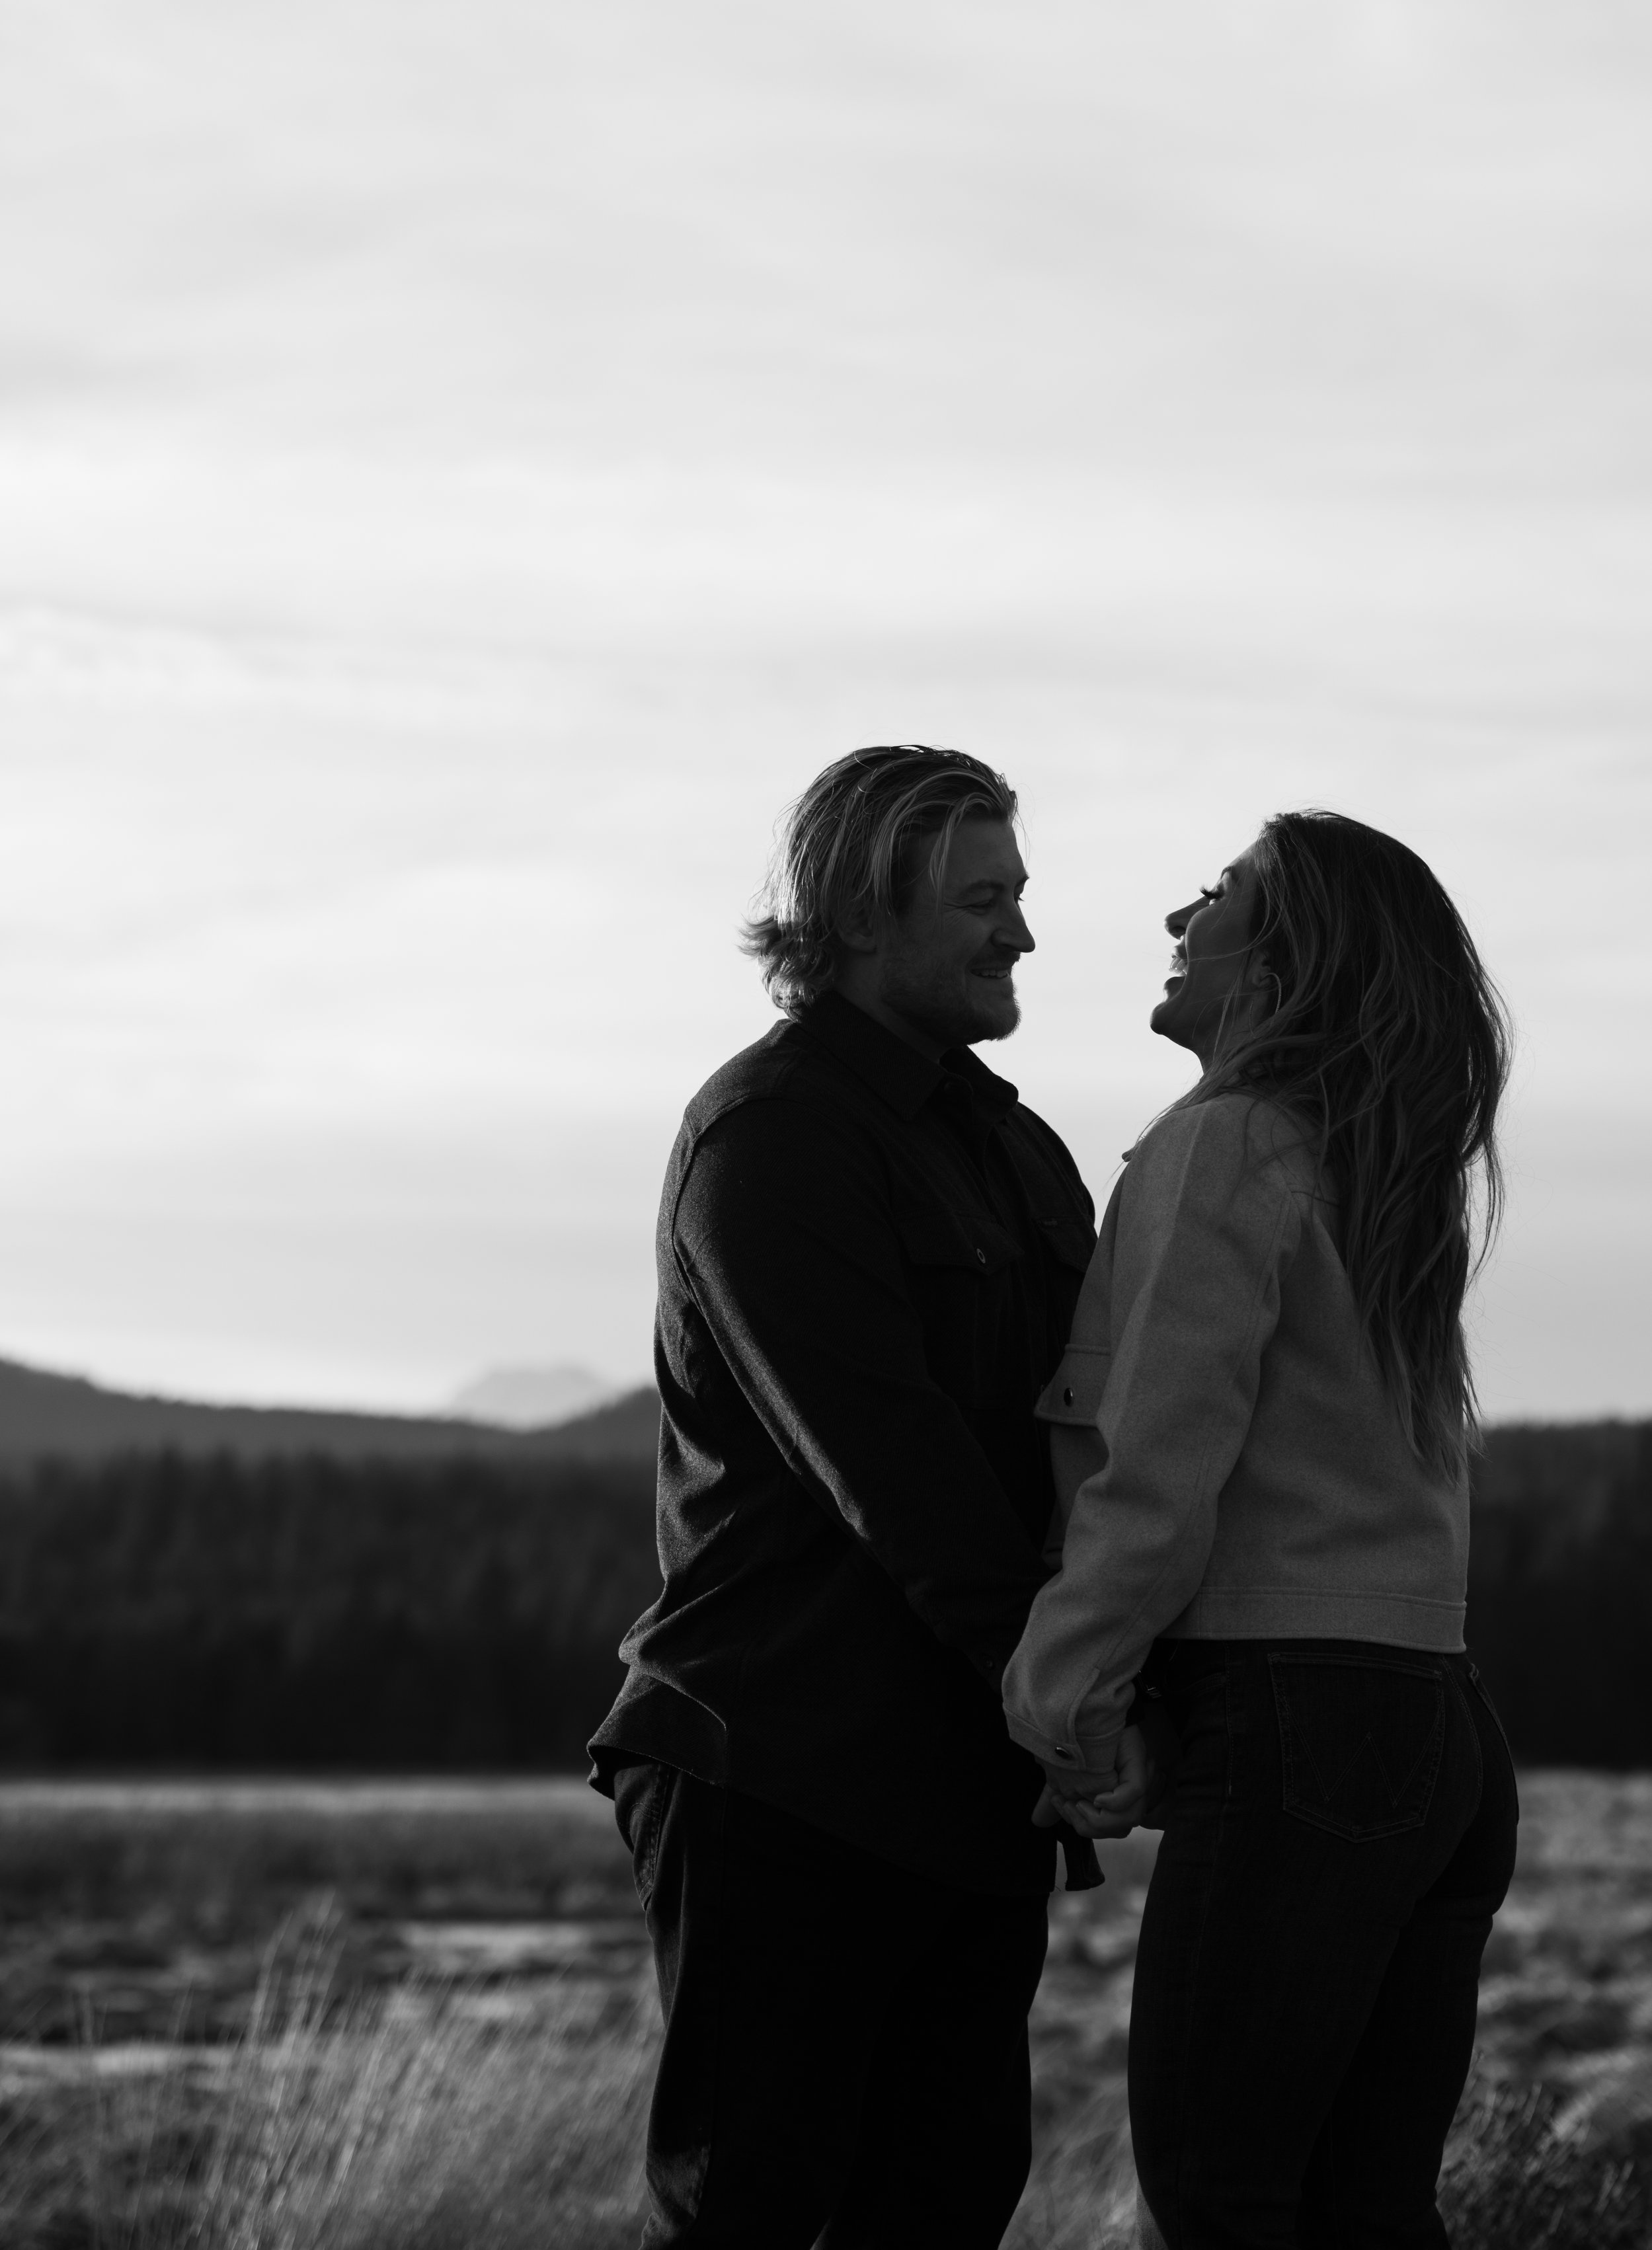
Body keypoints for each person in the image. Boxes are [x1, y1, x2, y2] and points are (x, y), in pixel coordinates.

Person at [588, 745, 1152, 2249]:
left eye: (1017, 895)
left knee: (947, 2202)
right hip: (780, 1766)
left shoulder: (1018, 1150)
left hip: (969, 1776)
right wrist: (1062, 1695)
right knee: (755, 2207)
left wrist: (1088, 1686)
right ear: (855, 912)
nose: (1020, 933)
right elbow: (888, 1470)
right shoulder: (767, 1137)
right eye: (981, 900)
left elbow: (1079, 1458)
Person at [1001, 810, 1520, 2250]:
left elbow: (1156, 1471)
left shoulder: (1226, 1144)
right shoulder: (1376, 1171)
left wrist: (1061, 1696)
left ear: (1283, 959)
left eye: (1219, 894)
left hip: (1301, 1725)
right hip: (1437, 1729)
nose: (1178, 915)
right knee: (1365, 2211)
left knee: (1224, 2198)